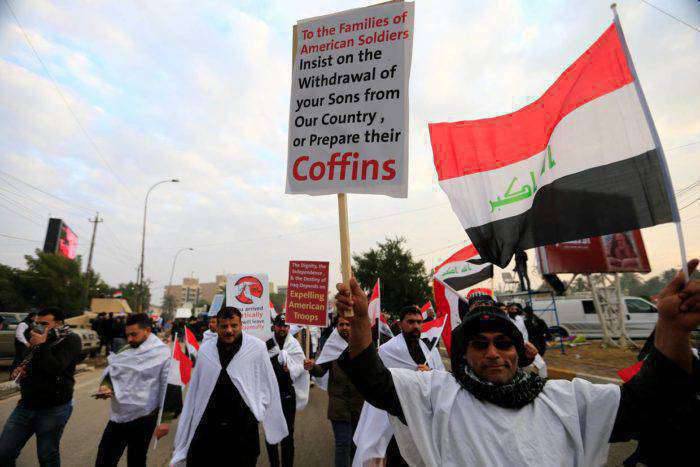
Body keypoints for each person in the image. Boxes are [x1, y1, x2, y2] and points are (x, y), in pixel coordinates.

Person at [334, 259, 700, 466]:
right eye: (480, 345)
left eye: (503, 343)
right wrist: (362, 322)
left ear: (517, 350)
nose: (493, 353)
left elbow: (646, 399)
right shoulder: (437, 396)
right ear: (464, 355)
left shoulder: (565, 401)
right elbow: (374, 381)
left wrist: (672, 329)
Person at [170, 306, 287, 466]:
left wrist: (259, 409)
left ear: (241, 325)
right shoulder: (206, 350)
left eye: (234, 325)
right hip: (209, 427)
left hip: (243, 428)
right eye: (224, 326)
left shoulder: (256, 348)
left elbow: (268, 384)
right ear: (217, 327)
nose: (229, 330)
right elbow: (196, 390)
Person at [354, 305, 445, 466]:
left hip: (423, 415)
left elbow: (443, 379)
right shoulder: (387, 350)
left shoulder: (431, 351)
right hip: (395, 415)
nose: (416, 326)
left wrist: (430, 373)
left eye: (419, 322)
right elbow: (377, 380)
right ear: (400, 324)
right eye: (410, 322)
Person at [94, 313, 182, 467]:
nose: (129, 339)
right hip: (118, 416)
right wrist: (106, 386)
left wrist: (165, 421)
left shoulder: (163, 353)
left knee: (136, 460)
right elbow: (113, 371)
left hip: (144, 417)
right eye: (127, 335)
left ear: (147, 331)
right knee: (104, 460)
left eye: (134, 334)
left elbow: (170, 387)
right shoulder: (125, 351)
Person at [0, 307, 82, 466]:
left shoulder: (70, 340)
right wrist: (21, 369)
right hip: (26, 405)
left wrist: (42, 345)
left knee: (47, 455)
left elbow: (55, 368)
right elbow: (29, 361)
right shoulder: (36, 337)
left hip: (53, 408)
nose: (38, 327)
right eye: (37, 323)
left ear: (58, 323)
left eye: (44, 324)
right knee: (4, 452)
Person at [304, 316, 364, 467]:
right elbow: (320, 371)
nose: (344, 327)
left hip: (359, 405)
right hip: (339, 404)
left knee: (356, 444)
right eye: (341, 324)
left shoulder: (362, 345)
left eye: (348, 324)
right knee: (342, 444)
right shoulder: (332, 346)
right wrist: (312, 367)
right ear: (336, 327)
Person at [265, 315, 310, 467]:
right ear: (274, 327)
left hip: (287, 394)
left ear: (289, 328)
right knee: (271, 434)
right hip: (270, 395)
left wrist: (290, 369)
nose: (282, 328)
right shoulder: (267, 344)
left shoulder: (294, 344)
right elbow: (260, 365)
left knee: (288, 434)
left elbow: (300, 366)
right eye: (280, 325)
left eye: (285, 326)